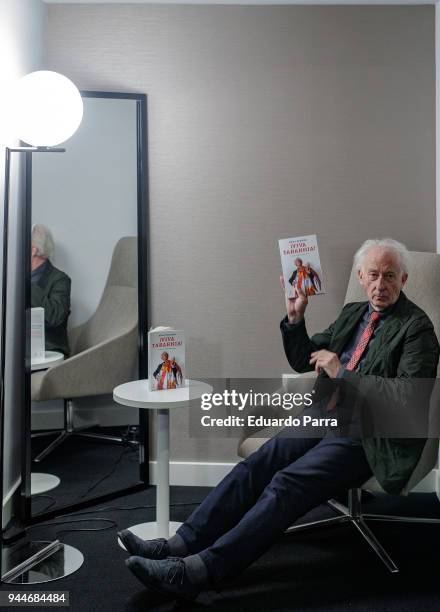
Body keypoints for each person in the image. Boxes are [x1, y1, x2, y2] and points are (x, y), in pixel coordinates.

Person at [119, 238, 439, 602]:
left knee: (286, 483)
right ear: (361, 277)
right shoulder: (355, 312)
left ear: (405, 279)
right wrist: (295, 317)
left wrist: (344, 375)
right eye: (373, 275)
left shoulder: (417, 329)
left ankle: (199, 571)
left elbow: (407, 403)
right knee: (256, 465)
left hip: (370, 435)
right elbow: (305, 358)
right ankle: (178, 544)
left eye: (390, 276)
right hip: (326, 414)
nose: (380, 285)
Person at [31, 224, 71, 356]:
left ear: (33, 251)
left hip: (48, 353)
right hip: (16, 352)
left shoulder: (60, 280)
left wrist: (25, 283)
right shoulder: (10, 280)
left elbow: (55, 317)